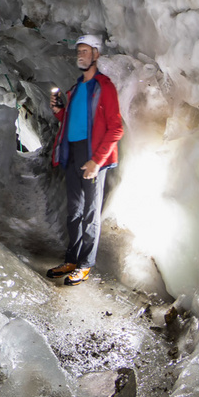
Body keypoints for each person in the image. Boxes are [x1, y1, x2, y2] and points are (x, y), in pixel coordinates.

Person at [46, 34, 124, 286]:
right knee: (74, 211)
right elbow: (70, 124)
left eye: (85, 51)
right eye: (78, 51)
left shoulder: (105, 87)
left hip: (93, 157)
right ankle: (71, 259)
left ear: (96, 54)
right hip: (72, 154)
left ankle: (85, 264)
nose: (80, 55)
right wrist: (59, 111)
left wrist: (97, 161)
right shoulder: (76, 88)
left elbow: (116, 128)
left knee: (91, 213)